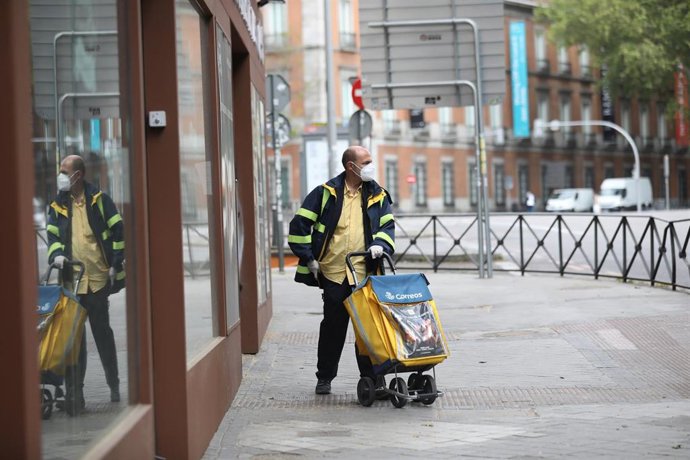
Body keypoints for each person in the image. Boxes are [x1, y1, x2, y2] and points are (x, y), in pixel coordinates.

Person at [288, 146, 395, 395]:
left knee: (368, 330)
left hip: (366, 274)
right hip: (334, 273)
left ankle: (373, 379)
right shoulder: (325, 194)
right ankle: (324, 377)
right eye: (366, 162)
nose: (371, 166)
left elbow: (388, 227)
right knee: (333, 328)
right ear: (351, 166)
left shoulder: (378, 195)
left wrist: (379, 244)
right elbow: (299, 225)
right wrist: (309, 259)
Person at [47, 155, 125, 415]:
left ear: (77, 175)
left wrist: (115, 262)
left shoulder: (99, 201)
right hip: (73, 281)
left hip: (98, 279)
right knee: (75, 340)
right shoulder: (57, 205)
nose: (61, 175)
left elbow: (118, 231)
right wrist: (56, 255)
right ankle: (75, 394)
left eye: (64, 171)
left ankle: (113, 384)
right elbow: (53, 235)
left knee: (103, 335)